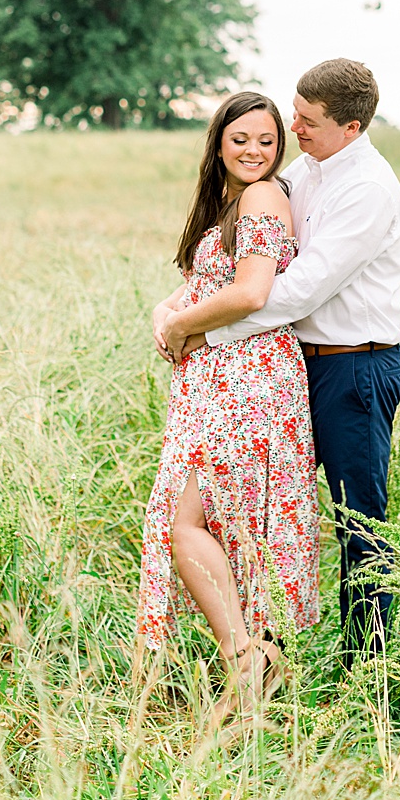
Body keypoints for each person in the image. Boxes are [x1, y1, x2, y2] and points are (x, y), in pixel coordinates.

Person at [159, 58, 400, 662]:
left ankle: (366, 667)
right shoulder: (310, 167)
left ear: (351, 128)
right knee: (265, 507)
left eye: (307, 121)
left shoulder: (368, 189)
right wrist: (178, 303)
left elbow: (295, 290)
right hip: (297, 363)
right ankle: (259, 655)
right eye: (293, 115)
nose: (293, 128)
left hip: (356, 368)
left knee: (359, 522)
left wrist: (200, 330)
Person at [137, 91, 320, 718]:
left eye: (267, 142)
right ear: (219, 142)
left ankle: (245, 656)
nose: (254, 151)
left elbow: (250, 291)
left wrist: (184, 323)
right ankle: (250, 661)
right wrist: (167, 317)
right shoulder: (228, 205)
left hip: (249, 379)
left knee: (188, 519)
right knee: (213, 522)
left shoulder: (266, 197)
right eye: (241, 139)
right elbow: (196, 288)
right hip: (216, 381)